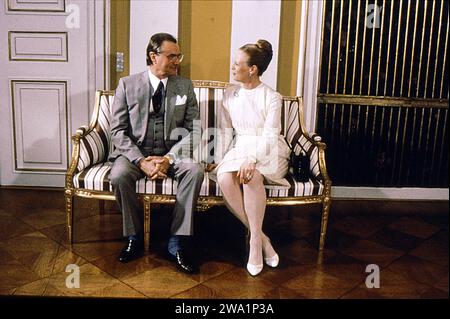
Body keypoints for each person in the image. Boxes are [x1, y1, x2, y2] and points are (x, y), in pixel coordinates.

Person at [109, 33, 204, 274]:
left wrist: (169, 159)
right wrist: (141, 161)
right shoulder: (127, 85)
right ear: (154, 56)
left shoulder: (184, 86)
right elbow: (117, 131)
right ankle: (134, 236)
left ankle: (176, 241)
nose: (177, 61)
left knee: (194, 170)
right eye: (172, 56)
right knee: (119, 175)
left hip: (171, 153)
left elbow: (194, 130)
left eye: (178, 56)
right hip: (135, 153)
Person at [208, 40, 291, 276]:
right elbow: (224, 131)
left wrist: (252, 158)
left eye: (237, 64)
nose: (232, 68)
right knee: (224, 177)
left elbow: (270, 136)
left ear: (252, 69)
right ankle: (262, 238)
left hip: (269, 149)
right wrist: (222, 158)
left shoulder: (272, 97)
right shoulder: (230, 93)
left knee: (251, 176)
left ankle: (254, 245)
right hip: (241, 145)